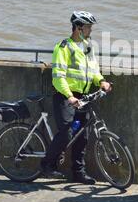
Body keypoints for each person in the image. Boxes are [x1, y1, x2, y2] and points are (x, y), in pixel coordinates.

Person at [41, 11, 112, 184]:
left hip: (84, 96)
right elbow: (58, 76)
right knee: (66, 132)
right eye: (88, 27)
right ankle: (47, 165)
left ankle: (78, 173)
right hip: (66, 96)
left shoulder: (88, 46)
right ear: (78, 28)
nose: (90, 30)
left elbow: (93, 69)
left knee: (83, 135)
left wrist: (101, 81)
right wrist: (70, 96)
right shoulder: (64, 47)